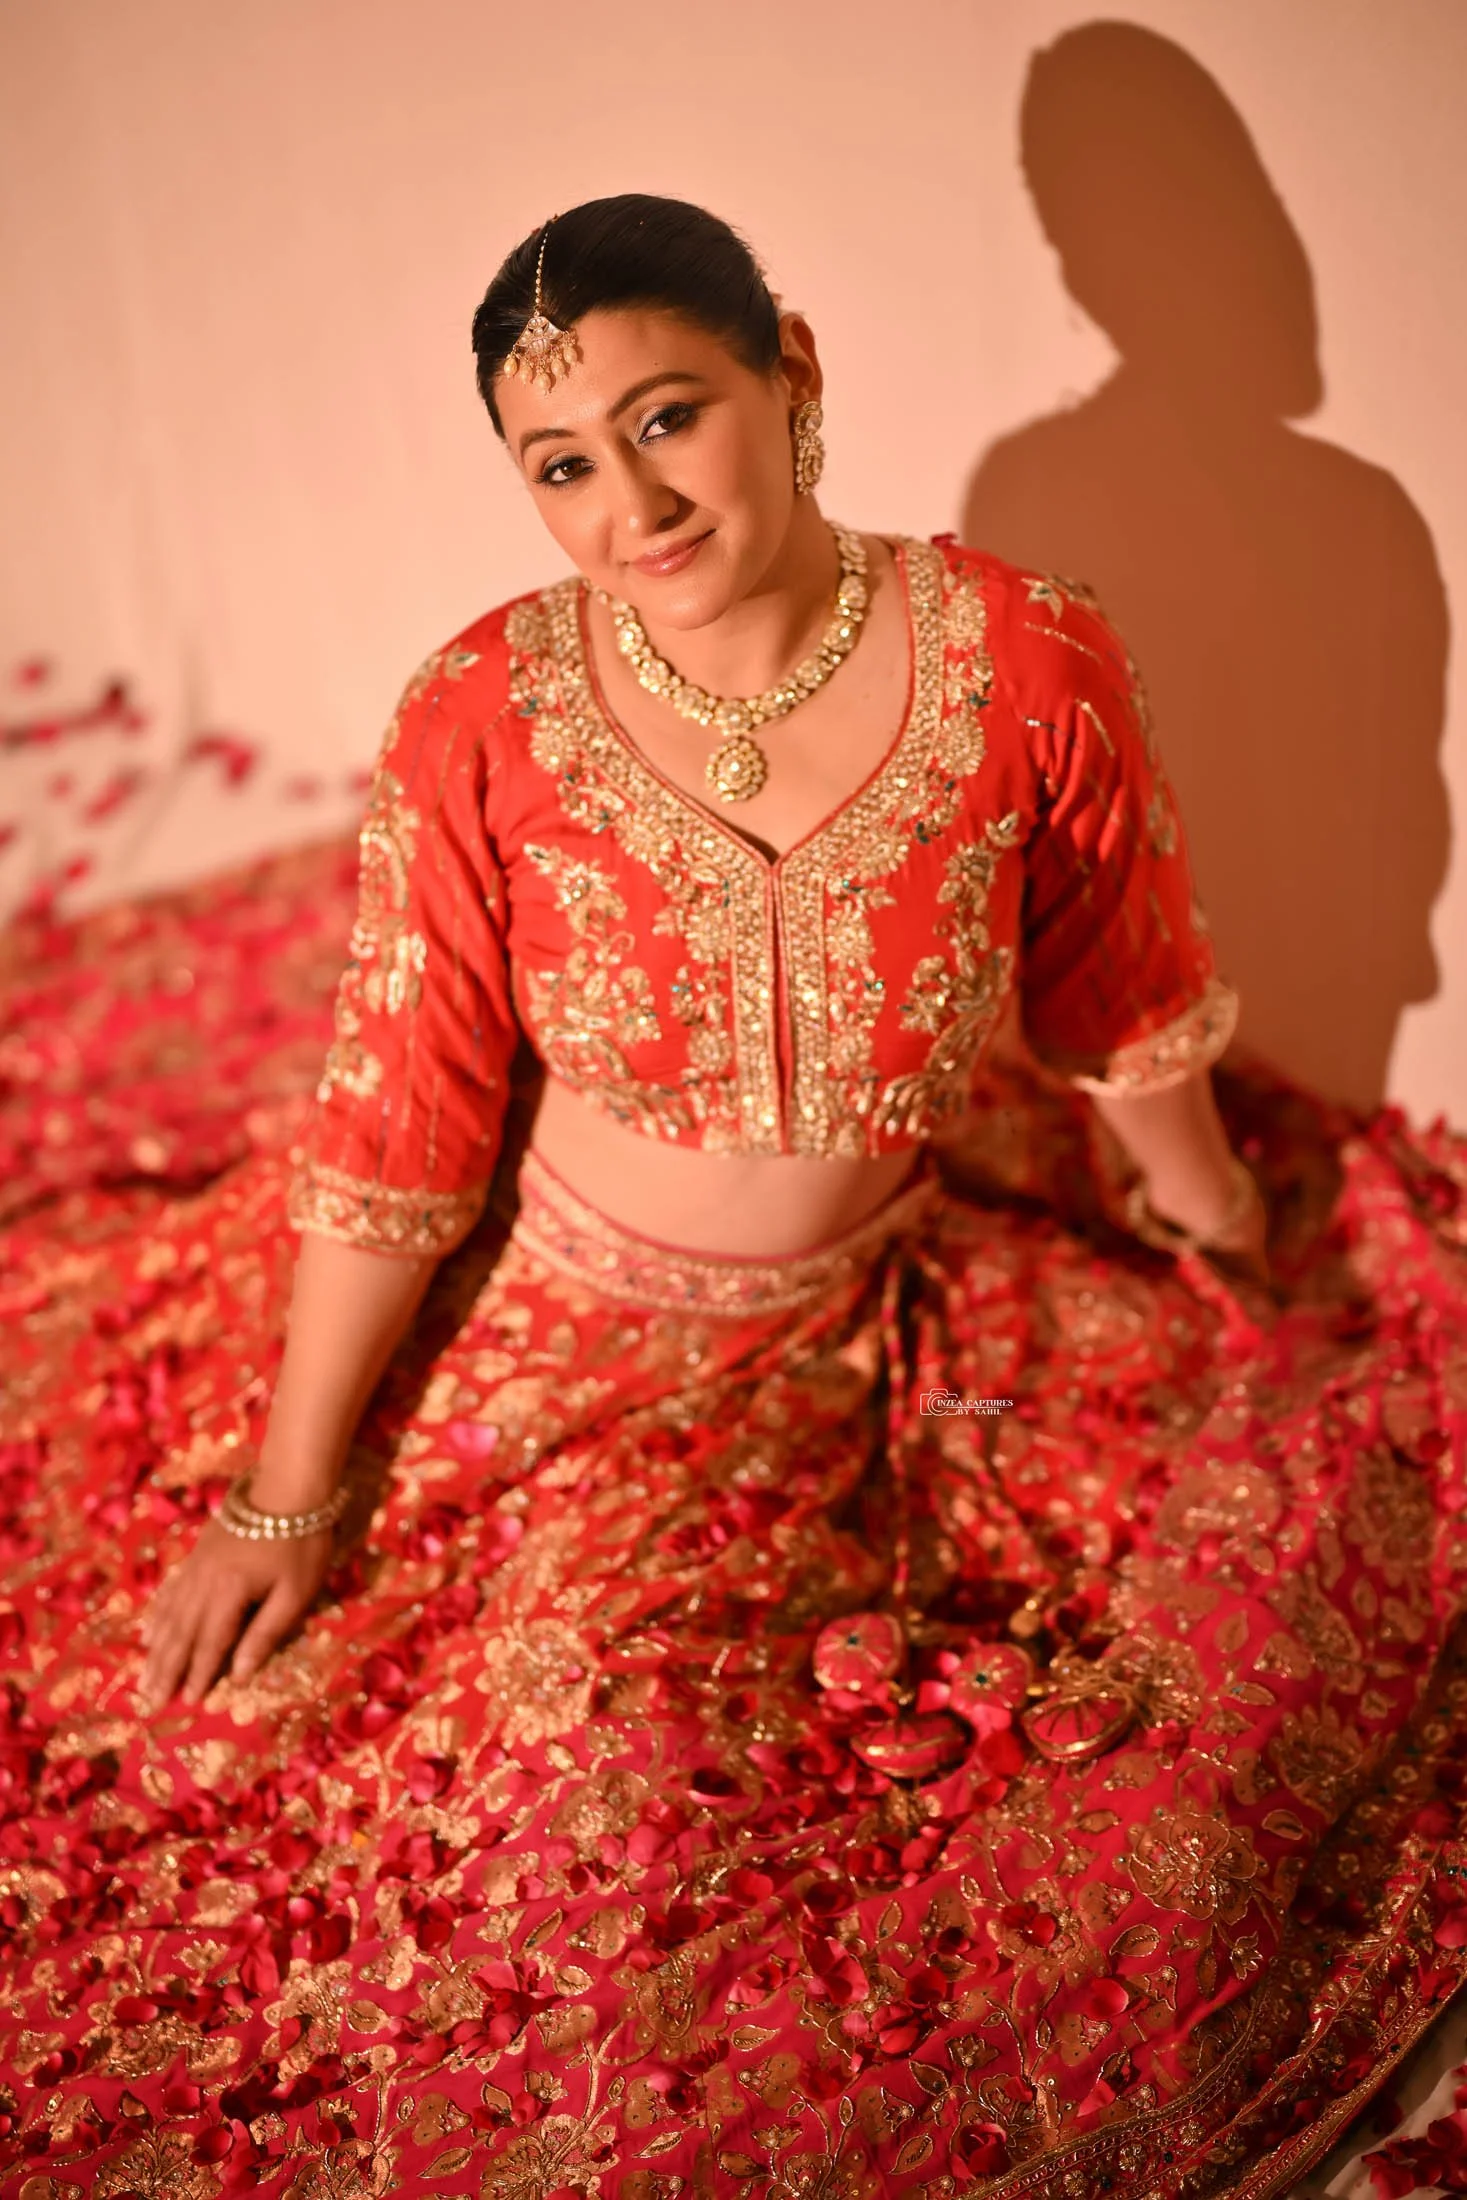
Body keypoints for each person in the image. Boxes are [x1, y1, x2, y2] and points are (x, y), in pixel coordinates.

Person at [1, 193, 1463, 2199]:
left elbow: (1113, 984)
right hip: (537, 1309)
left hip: (856, 1330)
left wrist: (1213, 1222)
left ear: (792, 369)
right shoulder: (480, 713)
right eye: (560, 466)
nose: (631, 506)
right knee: (370, 1804)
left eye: (667, 416)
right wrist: (289, 1487)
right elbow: (407, 1112)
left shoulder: (1024, 658)